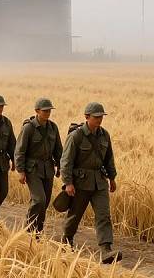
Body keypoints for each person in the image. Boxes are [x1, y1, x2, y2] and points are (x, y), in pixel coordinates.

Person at [60, 102, 122, 264]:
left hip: (100, 182)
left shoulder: (104, 135)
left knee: (104, 215)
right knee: (75, 215)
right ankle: (66, 241)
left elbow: (109, 158)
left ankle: (106, 249)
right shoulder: (76, 136)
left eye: (101, 116)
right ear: (87, 117)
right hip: (80, 182)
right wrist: (68, 183)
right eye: (96, 117)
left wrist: (112, 178)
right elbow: (66, 161)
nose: (100, 119)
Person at [14, 98, 63, 234]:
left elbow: (58, 149)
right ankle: (29, 230)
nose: (48, 113)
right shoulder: (28, 128)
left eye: (49, 110)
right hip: (32, 169)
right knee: (39, 199)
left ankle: (37, 231)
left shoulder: (53, 127)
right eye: (45, 110)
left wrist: (60, 166)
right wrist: (21, 171)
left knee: (44, 203)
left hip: (47, 168)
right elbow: (20, 151)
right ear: (37, 111)